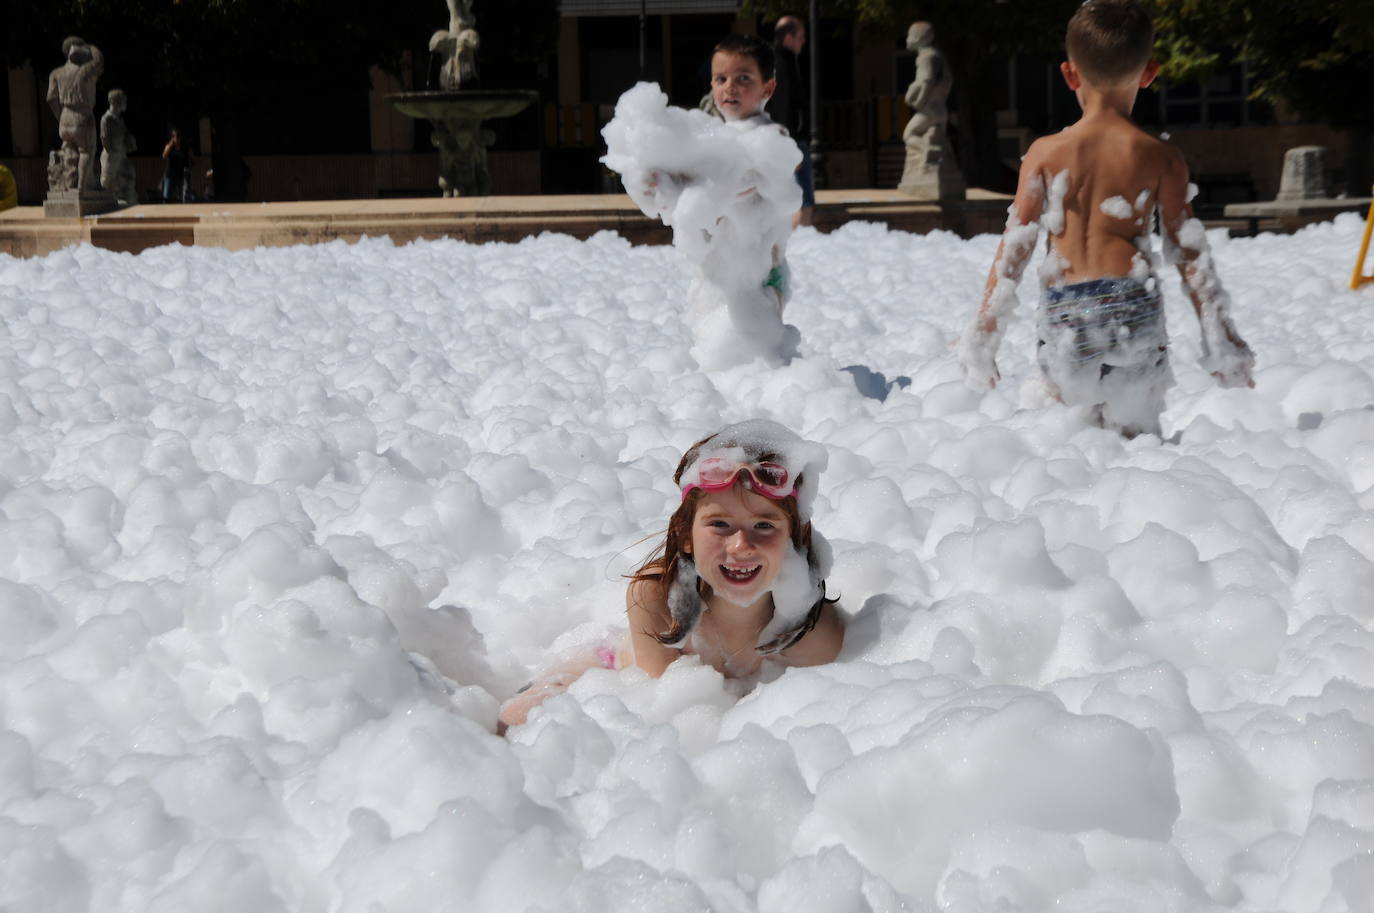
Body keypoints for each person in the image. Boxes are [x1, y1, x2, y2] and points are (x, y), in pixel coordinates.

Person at [955, 0, 1253, 438]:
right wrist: (1221, 338)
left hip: (1067, 309)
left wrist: (985, 331)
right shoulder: (1160, 156)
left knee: (1071, 437)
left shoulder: (1045, 153)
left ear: (1069, 74)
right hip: (1132, 303)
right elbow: (1189, 252)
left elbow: (1016, 245)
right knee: (1137, 440)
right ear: (1149, 73)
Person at [498, 419, 844, 731]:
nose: (741, 545)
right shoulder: (657, 598)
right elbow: (659, 715)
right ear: (685, 535)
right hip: (613, 670)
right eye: (720, 523)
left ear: (795, 537)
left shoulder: (813, 636)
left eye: (764, 525)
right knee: (512, 719)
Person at [602, 34, 803, 367]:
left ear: (767, 88)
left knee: (753, 354)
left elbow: (743, 185)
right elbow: (702, 199)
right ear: (711, 85)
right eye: (721, 79)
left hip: (760, 275)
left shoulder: (770, 138)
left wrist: (692, 191)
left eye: (743, 78)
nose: (730, 87)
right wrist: (661, 186)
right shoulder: (712, 141)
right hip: (718, 271)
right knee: (716, 346)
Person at [771, 16, 814, 227]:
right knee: (803, 203)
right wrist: (790, 147)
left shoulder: (782, 62)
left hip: (790, 140)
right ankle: (800, 243)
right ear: (789, 38)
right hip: (792, 142)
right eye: (801, 37)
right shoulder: (781, 64)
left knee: (798, 202)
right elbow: (783, 107)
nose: (804, 41)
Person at [46, 37, 104, 192]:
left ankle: (70, 182)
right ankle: (82, 186)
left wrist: (60, 116)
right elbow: (99, 60)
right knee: (87, 150)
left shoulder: (56, 73)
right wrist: (89, 46)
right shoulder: (86, 70)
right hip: (82, 114)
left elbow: (51, 98)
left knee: (69, 150)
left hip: (65, 116)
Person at [100, 89, 137, 205]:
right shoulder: (107, 119)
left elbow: (125, 134)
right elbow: (104, 138)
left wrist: (129, 141)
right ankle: (109, 203)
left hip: (121, 154)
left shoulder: (120, 119)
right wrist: (112, 152)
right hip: (111, 156)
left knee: (130, 174)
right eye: (123, 101)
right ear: (116, 101)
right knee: (107, 182)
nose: (125, 103)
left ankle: (127, 200)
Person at [161, 127, 192, 203]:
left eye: (178, 136)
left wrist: (189, 168)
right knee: (166, 197)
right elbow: (164, 156)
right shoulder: (169, 147)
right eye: (174, 136)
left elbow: (191, 160)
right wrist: (170, 145)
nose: (176, 138)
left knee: (182, 198)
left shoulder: (185, 148)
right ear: (172, 137)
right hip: (170, 175)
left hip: (181, 176)